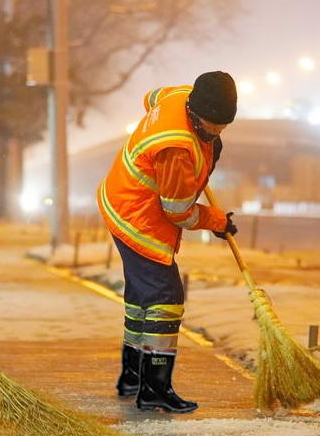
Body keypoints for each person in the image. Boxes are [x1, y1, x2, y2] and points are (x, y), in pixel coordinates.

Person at [97, 71, 239, 414]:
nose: (216, 131)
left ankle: (132, 377)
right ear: (194, 112)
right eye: (211, 124)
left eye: (223, 125)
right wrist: (216, 221)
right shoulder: (176, 149)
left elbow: (150, 96)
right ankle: (155, 389)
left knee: (141, 299)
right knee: (166, 298)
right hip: (138, 217)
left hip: (120, 198)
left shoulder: (178, 94)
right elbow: (177, 211)